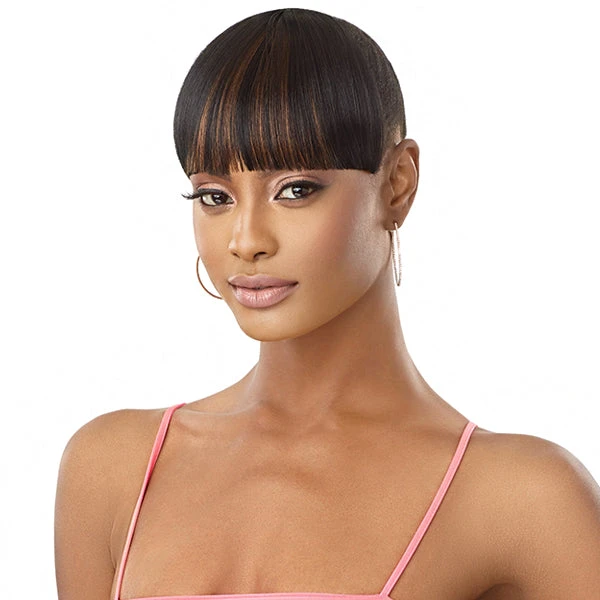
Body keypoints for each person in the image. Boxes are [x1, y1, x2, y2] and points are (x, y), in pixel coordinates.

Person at [54, 8, 600, 600]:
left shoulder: (523, 501)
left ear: (397, 183)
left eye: (294, 190)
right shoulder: (112, 470)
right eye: (214, 196)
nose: (245, 240)